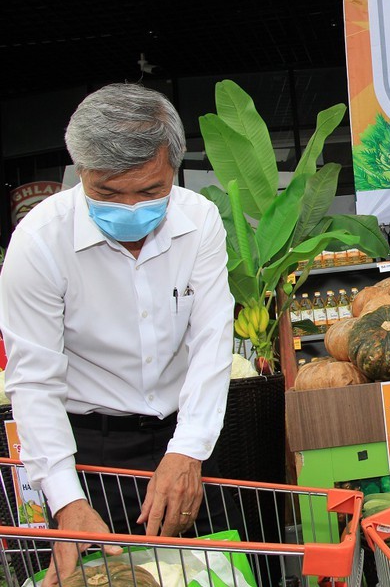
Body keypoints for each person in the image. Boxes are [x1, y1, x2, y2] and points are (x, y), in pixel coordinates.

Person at [0, 83, 235, 583]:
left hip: (188, 433)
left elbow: (212, 341)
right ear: (79, 171)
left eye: (151, 192)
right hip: (91, 448)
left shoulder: (200, 222)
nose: (130, 209)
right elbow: (34, 380)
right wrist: (65, 499)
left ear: (174, 167)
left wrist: (189, 450)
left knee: (210, 572)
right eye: (106, 194)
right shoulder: (39, 243)